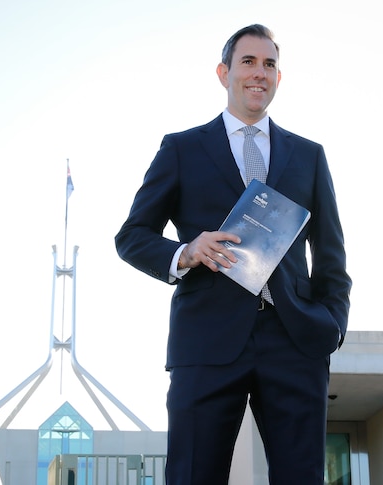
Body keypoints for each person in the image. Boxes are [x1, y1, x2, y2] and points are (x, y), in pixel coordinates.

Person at [115, 24, 351, 484]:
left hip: (294, 340)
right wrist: (186, 251)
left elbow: (331, 254)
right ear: (224, 73)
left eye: (269, 65)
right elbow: (132, 235)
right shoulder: (182, 149)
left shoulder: (309, 156)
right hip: (206, 341)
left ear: (278, 79)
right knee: (193, 475)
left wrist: (332, 327)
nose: (259, 73)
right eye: (248, 62)